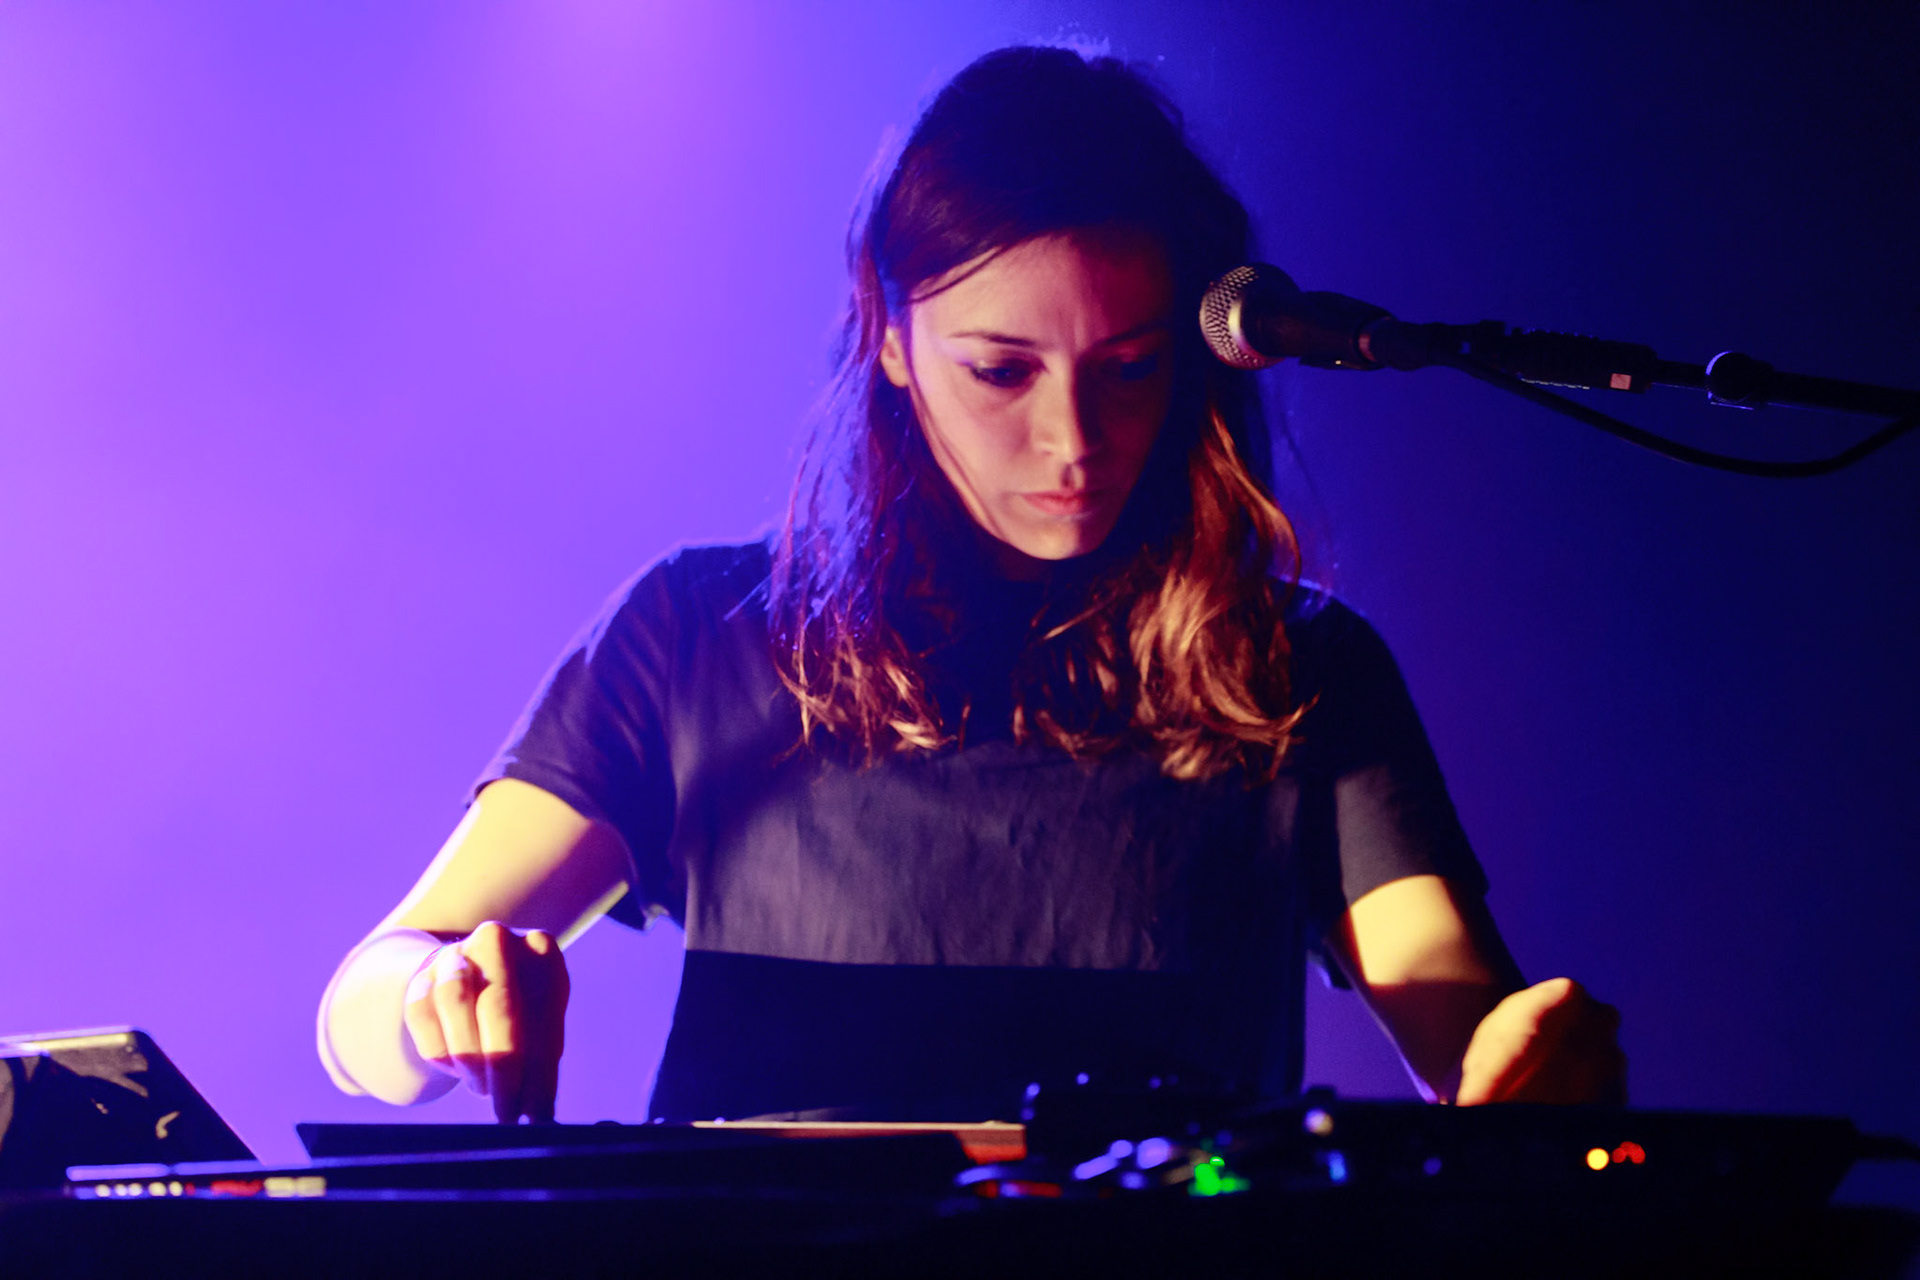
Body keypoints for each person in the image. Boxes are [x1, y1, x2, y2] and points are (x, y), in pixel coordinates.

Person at [318, 45, 1625, 1126]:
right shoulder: (696, 635)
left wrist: (1530, 1076)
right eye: (1002, 371)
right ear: (888, 340)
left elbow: (1470, 1045)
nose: (1073, 441)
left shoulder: (1302, 672)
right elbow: (360, 1010)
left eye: (1126, 368)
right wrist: (429, 1008)